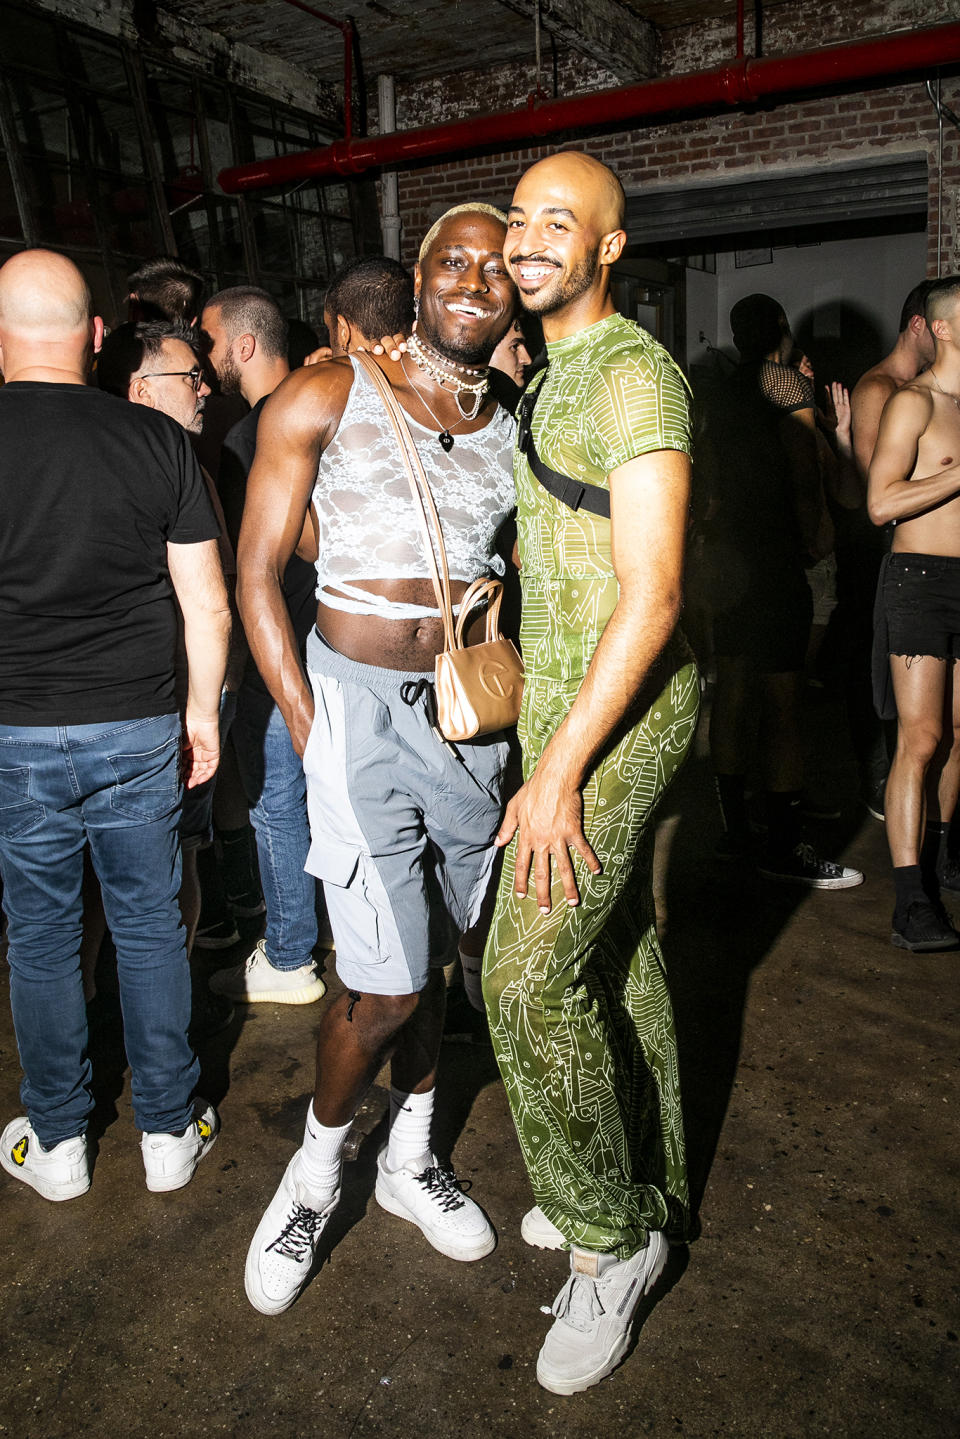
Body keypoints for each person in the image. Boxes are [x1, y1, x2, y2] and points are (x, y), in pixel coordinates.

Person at [237, 204, 517, 1315]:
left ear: (514, 294)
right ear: (421, 275)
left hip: (467, 721)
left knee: (444, 959)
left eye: (496, 269)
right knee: (386, 980)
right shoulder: (324, 392)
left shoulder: (512, 421)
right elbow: (260, 570)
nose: (472, 281)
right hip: (353, 711)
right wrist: (309, 722)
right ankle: (316, 1171)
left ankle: (408, 1159)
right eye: (453, 260)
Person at [481, 150, 697, 1396]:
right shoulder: (555, 372)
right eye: (520, 219)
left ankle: (615, 1242)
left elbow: (654, 592)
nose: (528, 239)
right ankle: (632, 1173)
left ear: (609, 246)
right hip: (562, 705)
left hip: (620, 716)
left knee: (520, 975)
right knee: (614, 956)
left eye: (558, 223)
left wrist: (558, 770)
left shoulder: (633, 379)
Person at [0, 251, 229, 1201]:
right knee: (144, 925)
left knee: (42, 935)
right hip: (137, 725)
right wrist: (203, 714)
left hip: (13, 733)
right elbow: (206, 606)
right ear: (97, 336)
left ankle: (58, 1141)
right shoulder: (155, 440)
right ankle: (169, 1132)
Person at [702, 294, 862, 888]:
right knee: (784, 704)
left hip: (725, 560)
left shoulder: (715, 391)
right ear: (779, 330)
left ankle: (735, 831)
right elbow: (802, 473)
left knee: (734, 692)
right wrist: (818, 536)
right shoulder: (784, 386)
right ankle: (784, 843)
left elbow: (708, 478)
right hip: (771, 560)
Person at [200, 285, 327, 1005]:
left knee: (277, 799)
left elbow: (260, 566)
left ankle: (288, 956)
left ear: (244, 345)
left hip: (288, 645)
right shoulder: (334, 405)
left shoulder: (253, 437)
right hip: (339, 640)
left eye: (210, 340)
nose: (203, 355)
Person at [867, 274, 960, 951]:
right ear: (945, 327)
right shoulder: (914, 403)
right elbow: (881, 503)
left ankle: (944, 856)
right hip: (919, 579)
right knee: (921, 737)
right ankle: (908, 901)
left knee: (958, 732)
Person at [846, 281, 936, 818]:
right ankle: (879, 781)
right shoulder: (879, 388)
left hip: (913, 554)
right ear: (920, 325)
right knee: (880, 675)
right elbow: (873, 492)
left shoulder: (927, 388)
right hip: (880, 551)